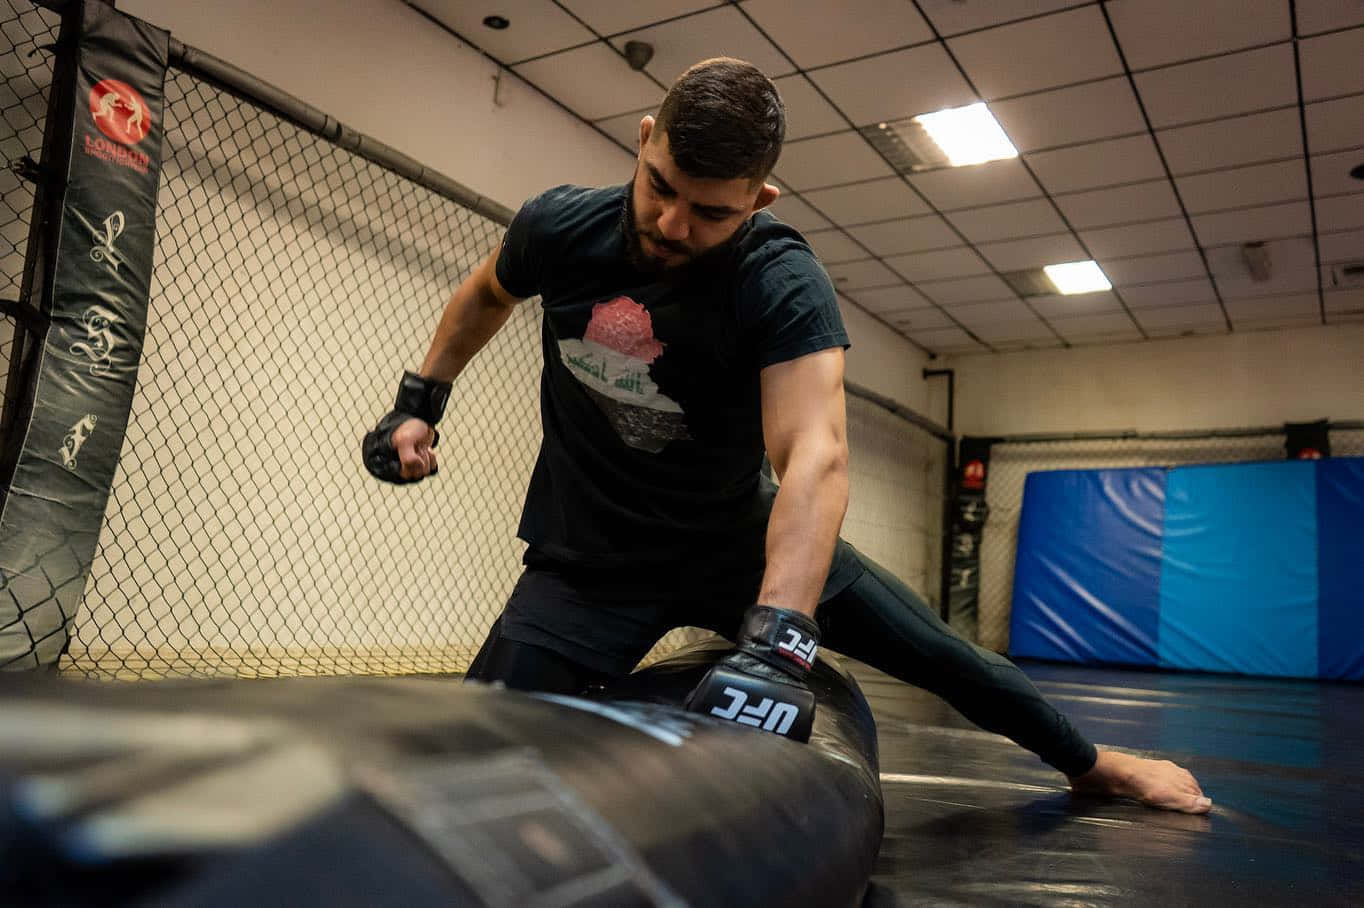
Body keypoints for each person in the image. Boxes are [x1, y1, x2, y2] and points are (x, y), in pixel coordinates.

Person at [364, 58, 1210, 814]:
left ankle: (1096, 764)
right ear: (645, 138)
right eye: (659, 185)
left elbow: (814, 451)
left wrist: (780, 627)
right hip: (589, 556)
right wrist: (420, 399)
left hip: (739, 541)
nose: (670, 224)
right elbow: (486, 294)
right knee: (471, 762)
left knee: (948, 657)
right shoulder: (560, 226)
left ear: (759, 200)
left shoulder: (779, 276)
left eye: (709, 212)